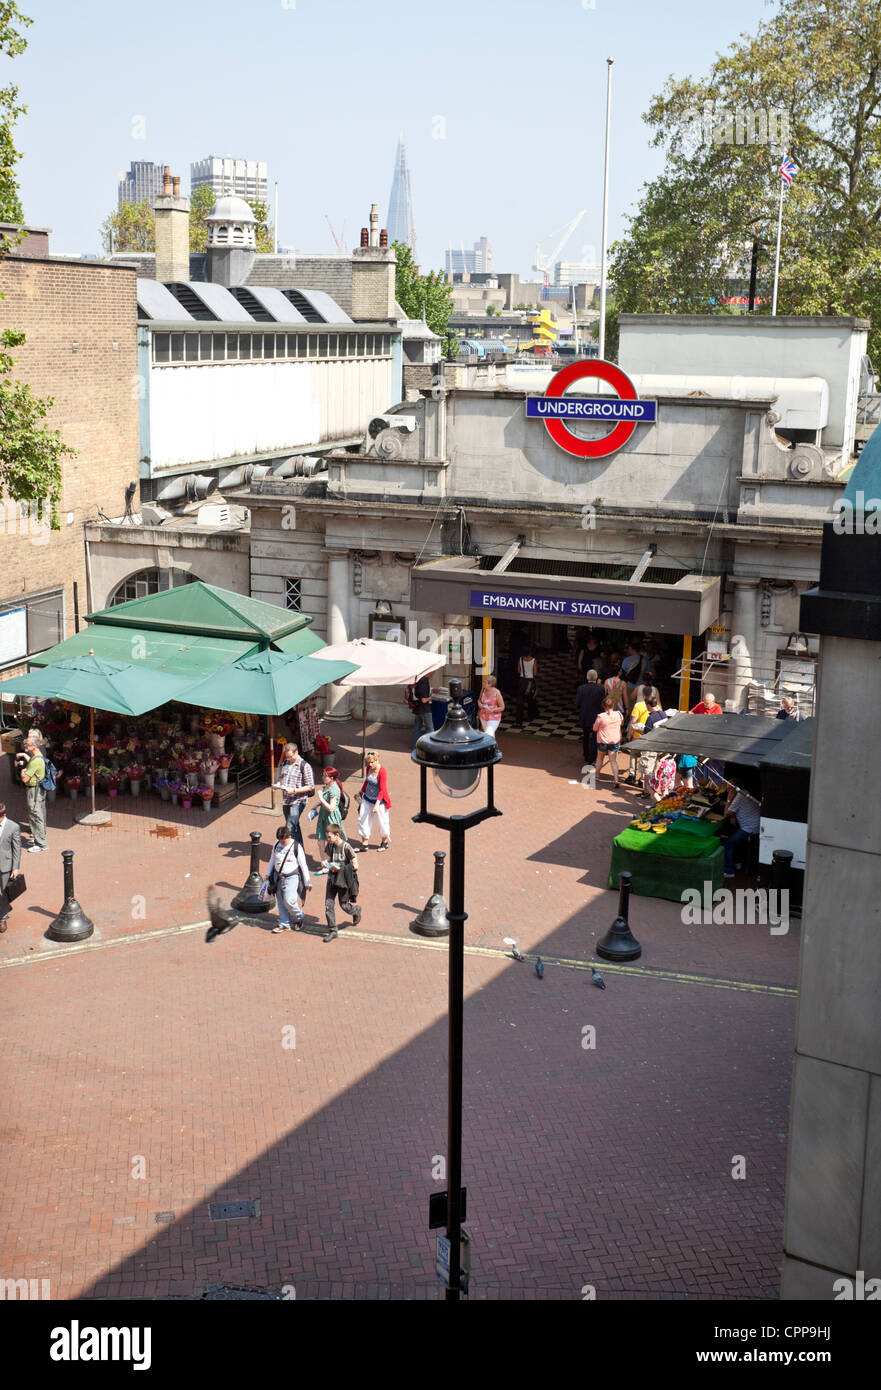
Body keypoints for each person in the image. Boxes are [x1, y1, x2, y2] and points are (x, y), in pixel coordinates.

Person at [264, 824, 311, 934]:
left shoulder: (296, 847)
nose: (281, 843)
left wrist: (308, 881)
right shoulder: (276, 844)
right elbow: (272, 859)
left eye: (283, 841)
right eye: (279, 840)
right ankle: (284, 924)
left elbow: (303, 865)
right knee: (280, 902)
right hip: (277, 877)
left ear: (289, 837)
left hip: (291, 877)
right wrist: (267, 873)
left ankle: (299, 916)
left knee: (289, 900)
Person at [272, 741, 315, 851]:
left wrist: (295, 790)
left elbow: (310, 786)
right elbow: (282, 778)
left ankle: (287, 850)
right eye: (287, 756)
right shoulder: (286, 763)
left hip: (298, 800)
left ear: (296, 752)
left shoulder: (305, 766)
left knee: (289, 826)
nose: (289, 758)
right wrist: (278, 785)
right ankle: (299, 849)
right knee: (294, 825)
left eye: (291, 756)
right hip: (286, 800)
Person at [322, 823, 361, 942]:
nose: (328, 839)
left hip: (343, 881)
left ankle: (356, 910)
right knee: (329, 905)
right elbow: (328, 859)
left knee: (344, 905)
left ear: (337, 835)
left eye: (329, 837)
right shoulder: (330, 845)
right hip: (332, 879)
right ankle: (333, 930)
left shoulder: (346, 847)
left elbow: (355, 866)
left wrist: (341, 868)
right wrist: (325, 863)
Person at [723, 785, 762, 879]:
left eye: (729, 789)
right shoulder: (744, 792)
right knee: (735, 837)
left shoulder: (738, 797)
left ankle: (729, 871)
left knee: (728, 843)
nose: (727, 791)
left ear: (733, 789)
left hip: (750, 829)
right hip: (756, 825)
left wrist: (728, 799)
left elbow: (725, 814)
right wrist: (733, 815)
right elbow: (735, 810)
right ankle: (737, 862)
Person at [357, 750, 391, 851]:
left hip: (380, 801)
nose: (370, 764)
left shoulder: (382, 771)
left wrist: (377, 804)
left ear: (377, 760)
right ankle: (364, 844)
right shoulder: (368, 768)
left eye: (372, 762)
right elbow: (366, 782)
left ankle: (384, 842)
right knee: (362, 819)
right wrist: (360, 792)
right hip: (367, 798)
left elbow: (382, 789)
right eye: (369, 762)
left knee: (382, 822)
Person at [19, 734, 47, 852]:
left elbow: (25, 779)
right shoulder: (37, 756)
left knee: (35, 815)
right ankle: (38, 838)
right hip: (37, 789)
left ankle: (41, 844)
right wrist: (25, 757)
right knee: (36, 814)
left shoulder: (36, 761)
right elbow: (32, 763)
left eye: (28, 744)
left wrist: (22, 771)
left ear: (34, 746)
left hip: (34, 791)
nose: (25, 745)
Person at [315, 766, 347, 868]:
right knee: (320, 842)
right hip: (323, 817)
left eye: (325, 776)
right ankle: (325, 863)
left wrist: (320, 797)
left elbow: (331, 808)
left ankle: (334, 863)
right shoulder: (327, 786)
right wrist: (315, 806)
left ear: (332, 778)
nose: (323, 777)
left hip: (331, 817)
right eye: (323, 775)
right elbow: (325, 801)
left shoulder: (334, 789)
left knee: (332, 842)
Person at [575, 669, 605, 765]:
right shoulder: (600, 688)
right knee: (595, 737)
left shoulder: (581, 688)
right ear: (596, 678)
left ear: (587, 678)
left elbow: (577, 703)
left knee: (586, 736)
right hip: (596, 716)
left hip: (585, 715)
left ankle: (586, 754)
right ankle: (592, 757)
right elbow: (603, 703)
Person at [592, 696, 624, 787]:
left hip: (603, 740)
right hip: (614, 740)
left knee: (599, 758)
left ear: (603, 706)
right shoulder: (619, 714)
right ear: (613, 705)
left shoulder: (601, 716)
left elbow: (595, 728)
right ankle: (616, 779)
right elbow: (621, 723)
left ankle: (597, 776)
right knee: (613, 760)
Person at [0, 803, 22, 933]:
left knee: (3, 893)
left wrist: (15, 867)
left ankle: (2, 918)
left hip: (5, 866)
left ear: (4, 815)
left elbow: (17, 849)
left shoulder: (13, 827)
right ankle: (4, 909)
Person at [515, 648, 539, 727]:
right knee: (530, 700)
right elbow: (535, 673)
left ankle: (518, 720)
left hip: (521, 681)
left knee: (520, 701)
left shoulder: (520, 659)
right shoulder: (533, 660)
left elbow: (518, 671)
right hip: (529, 682)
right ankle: (530, 716)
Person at [408, 675, 433, 748]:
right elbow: (424, 700)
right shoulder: (424, 681)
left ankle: (415, 746)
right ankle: (428, 747)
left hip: (417, 709)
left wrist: (435, 689)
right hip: (425, 709)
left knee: (417, 728)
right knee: (430, 728)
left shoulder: (417, 680)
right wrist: (431, 697)